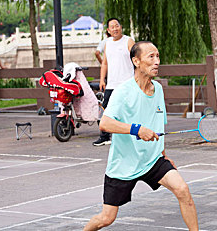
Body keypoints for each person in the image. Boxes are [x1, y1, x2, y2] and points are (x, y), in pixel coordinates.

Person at [83, 41, 199, 231]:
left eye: (158, 56)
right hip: (124, 164)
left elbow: (157, 123)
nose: (157, 62)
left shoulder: (158, 89)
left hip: (152, 159)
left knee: (183, 190)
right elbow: (105, 123)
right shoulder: (123, 91)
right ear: (136, 61)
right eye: (151, 57)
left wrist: (163, 154)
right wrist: (137, 129)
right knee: (106, 218)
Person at [93, 18, 135, 146]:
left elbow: (137, 58)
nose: (115, 29)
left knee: (129, 110)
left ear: (120, 27)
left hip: (127, 83)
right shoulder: (108, 43)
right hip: (112, 83)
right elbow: (104, 63)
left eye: (117, 26)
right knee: (106, 110)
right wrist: (102, 79)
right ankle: (105, 137)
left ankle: (133, 134)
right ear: (108, 30)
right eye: (112, 27)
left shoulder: (128, 41)